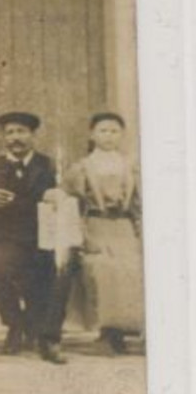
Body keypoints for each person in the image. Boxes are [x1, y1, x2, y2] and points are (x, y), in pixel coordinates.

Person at [0, 111, 69, 364]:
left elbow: (54, 203)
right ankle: (15, 323)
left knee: (53, 273)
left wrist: (19, 203)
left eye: (22, 132)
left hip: (41, 238)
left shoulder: (48, 166)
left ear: (33, 136)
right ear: (4, 137)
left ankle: (42, 334)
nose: (15, 138)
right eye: (10, 132)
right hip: (6, 239)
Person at [62, 112, 143, 355]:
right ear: (92, 134)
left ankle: (128, 328)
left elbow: (138, 202)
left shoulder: (130, 166)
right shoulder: (84, 166)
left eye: (114, 131)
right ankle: (108, 331)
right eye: (103, 131)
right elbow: (69, 195)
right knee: (104, 272)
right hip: (97, 225)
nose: (108, 136)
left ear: (122, 135)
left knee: (130, 270)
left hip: (123, 226)